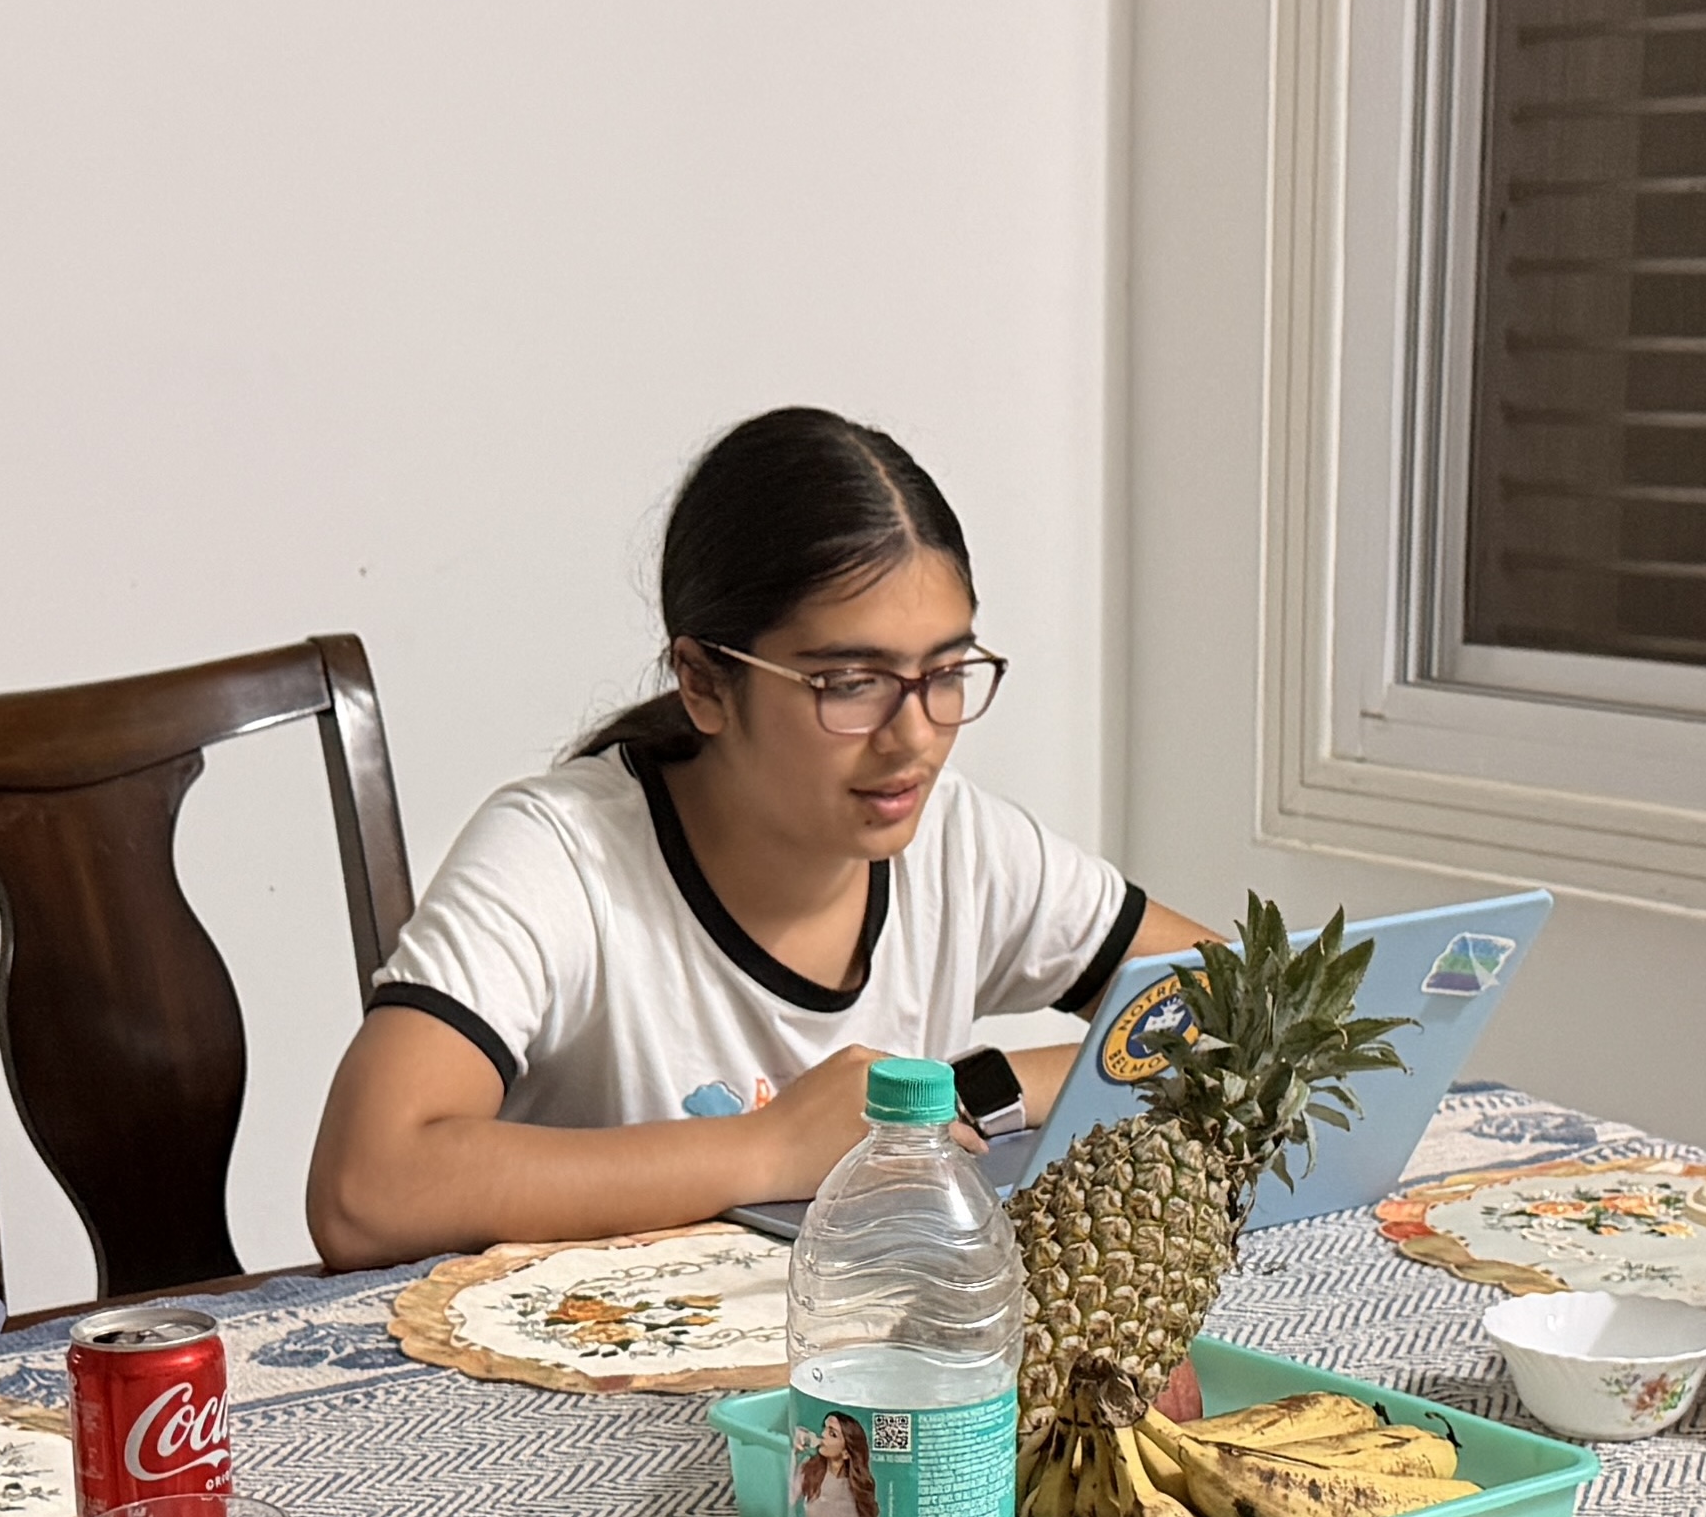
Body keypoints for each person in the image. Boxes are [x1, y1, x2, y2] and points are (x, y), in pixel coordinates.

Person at [305, 407, 1214, 1265]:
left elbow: (1255, 1011)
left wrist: (966, 1092)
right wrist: (773, 1147)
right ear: (704, 681)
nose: (915, 737)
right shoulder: (561, 858)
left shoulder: (961, 844)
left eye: (945, 670)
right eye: (850, 682)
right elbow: (366, 1189)